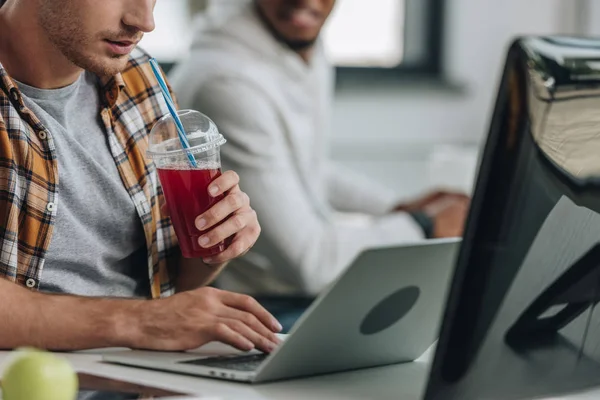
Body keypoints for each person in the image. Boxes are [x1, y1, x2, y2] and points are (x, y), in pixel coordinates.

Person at [0, 0, 283, 354]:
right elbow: (150, 318)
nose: (144, 21)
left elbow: (168, 285)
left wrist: (212, 242)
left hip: (147, 380)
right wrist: (138, 321)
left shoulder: (140, 77)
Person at [170, 0, 469, 330]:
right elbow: (312, 263)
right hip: (258, 305)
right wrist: (425, 225)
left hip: (292, 292)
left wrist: (395, 207)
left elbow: (306, 165)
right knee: (453, 327)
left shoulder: (297, 43)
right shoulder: (227, 83)